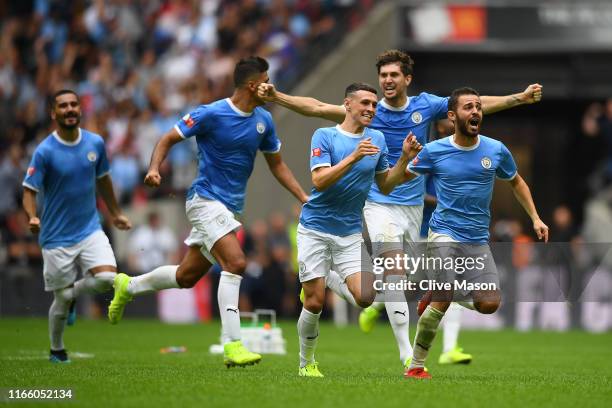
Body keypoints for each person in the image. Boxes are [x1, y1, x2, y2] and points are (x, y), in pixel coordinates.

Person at [258, 49, 543, 369]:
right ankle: (407, 354)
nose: (387, 81)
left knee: (402, 283)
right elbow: (318, 108)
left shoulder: (426, 105)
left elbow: (472, 105)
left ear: (407, 79)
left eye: (394, 75)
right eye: (383, 76)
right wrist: (278, 97)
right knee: (395, 272)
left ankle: (354, 291)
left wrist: (518, 98)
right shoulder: (368, 110)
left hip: (413, 205)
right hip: (379, 202)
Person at [107, 56, 309, 368]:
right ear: (253, 84)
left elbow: (277, 165)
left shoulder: (264, 121)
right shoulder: (211, 113)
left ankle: (128, 286)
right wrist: (153, 168)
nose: (271, 86)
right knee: (237, 262)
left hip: (229, 208)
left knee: (186, 276)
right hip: (204, 200)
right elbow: (169, 137)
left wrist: (303, 196)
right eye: (267, 80)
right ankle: (232, 345)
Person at [396, 87, 548, 379]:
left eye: (478, 106)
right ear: (452, 116)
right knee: (444, 295)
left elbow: (516, 182)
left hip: (477, 239)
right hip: (443, 233)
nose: (476, 111)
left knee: (489, 304)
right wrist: (404, 158)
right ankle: (416, 365)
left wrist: (536, 218)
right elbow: (402, 177)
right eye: (468, 107)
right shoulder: (434, 151)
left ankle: (439, 292)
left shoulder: (495, 150)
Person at [296, 82, 422, 377]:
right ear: (347, 105)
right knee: (313, 303)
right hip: (315, 228)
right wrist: (353, 157)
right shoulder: (324, 135)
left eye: (374, 105)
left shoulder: (376, 138)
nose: (370, 109)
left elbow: (385, 185)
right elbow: (319, 181)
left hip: (349, 231)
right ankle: (306, 362)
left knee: (366, 297)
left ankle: (328, 278)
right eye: (365, 103)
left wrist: (404, 158)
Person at [22, 89, 132, 363]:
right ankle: (57, 349)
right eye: (63, 106)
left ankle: (73, 294)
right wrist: (32, 216)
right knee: (60, 302)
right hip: (56, 237)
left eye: (73, 104)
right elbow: (28, 190)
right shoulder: (45, 151)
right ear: (53, 113)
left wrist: (116, 213)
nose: (70, 109)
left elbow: (104, 179)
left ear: (80, 110)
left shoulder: (95, 143)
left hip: (90, 228)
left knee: (107, 279)